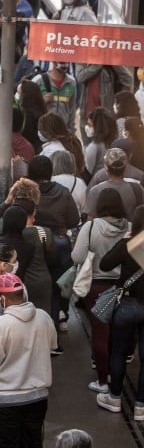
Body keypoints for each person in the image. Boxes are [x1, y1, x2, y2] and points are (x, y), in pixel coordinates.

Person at [0, 273, 57, 448]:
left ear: (2, 299)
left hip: (4, 401)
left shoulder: (0, 325)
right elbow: (53, 345)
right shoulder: (43, 317)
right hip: (37, 398)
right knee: (32, 443)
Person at [72, 188, 129, 394]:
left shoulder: (91, 226)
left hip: (96, 287)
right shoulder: (130, 228)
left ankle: (103, 382)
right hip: (124, 286)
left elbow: (77, 257)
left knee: (100, 334)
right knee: (118, 334)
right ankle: (117, 377)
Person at [97, 205, 144, 419]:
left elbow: (105, 264)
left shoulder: (129, 243)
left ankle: (114, 398)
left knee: (118, 352)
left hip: (127, 305)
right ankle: (141, 406)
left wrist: (124, 241)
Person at [84, 148, 144, 221]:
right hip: (132, 231)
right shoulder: (138, 188)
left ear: (106, 168)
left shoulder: (95, 191)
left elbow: (90, 220)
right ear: (125, 168)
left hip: (104, 232)